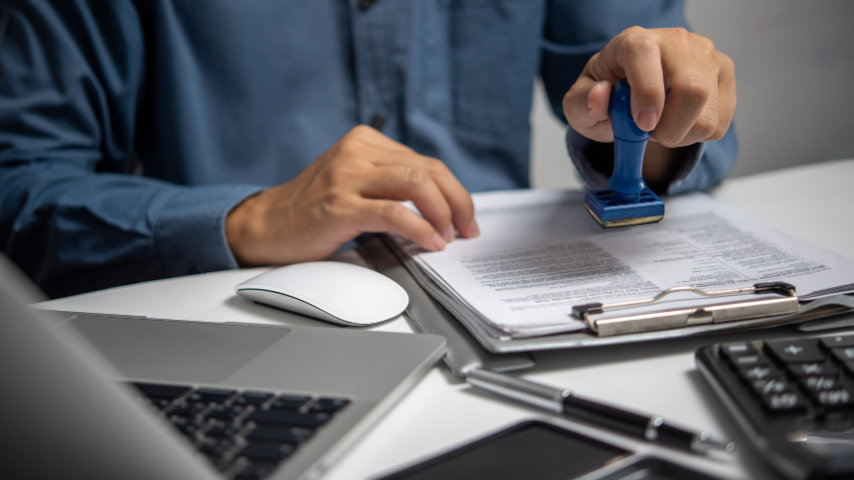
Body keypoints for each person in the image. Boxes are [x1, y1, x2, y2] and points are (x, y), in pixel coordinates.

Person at [0, 1, 737, 298]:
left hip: (519, 310)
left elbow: (698, 120)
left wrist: (652, 131)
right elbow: (17, 184)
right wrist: (250, 220)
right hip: (228, 313)